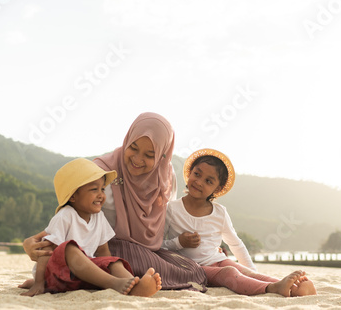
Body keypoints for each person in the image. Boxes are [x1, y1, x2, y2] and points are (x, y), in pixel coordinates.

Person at [23, 113, 207, 291]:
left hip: (145, 250)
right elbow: (70, 216)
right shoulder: (100, 176)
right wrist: (31, 243)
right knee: (126, 260)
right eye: (133, 148)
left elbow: (167, 225)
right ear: (126, 140)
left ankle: (133, 283)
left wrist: (206, 247)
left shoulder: (165, 177)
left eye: (150, 155)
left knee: (190, 268)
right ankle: (123, 282)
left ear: (162, 155)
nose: (137, 159)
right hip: (112, 246)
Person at [162, 148, 317, 297]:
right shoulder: (172, 209)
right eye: (197, 174)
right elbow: (157, 245)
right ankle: (273, 288)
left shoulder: (219, 213)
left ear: (217, 188)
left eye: (208, 181)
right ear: (189, 173)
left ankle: (291, 287)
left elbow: (235, 244)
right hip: (193, 267)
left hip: (218, 260)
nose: (199, 182)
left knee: (243, 271)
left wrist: (252, 272)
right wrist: (179, 242)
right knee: (229, 273)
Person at [20, 158, 162, 297]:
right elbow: (46, 251)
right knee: (69, 248)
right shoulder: (65, 216)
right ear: (73, 196)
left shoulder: (99, 216)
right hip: (60, 274)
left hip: (84, 276)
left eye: (103, 189)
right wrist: (39, 282)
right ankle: (114, 283)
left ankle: (134, 286)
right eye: (94, 189)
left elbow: (103, 251)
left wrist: (108, 266)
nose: (101, 195)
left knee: (114, 261)